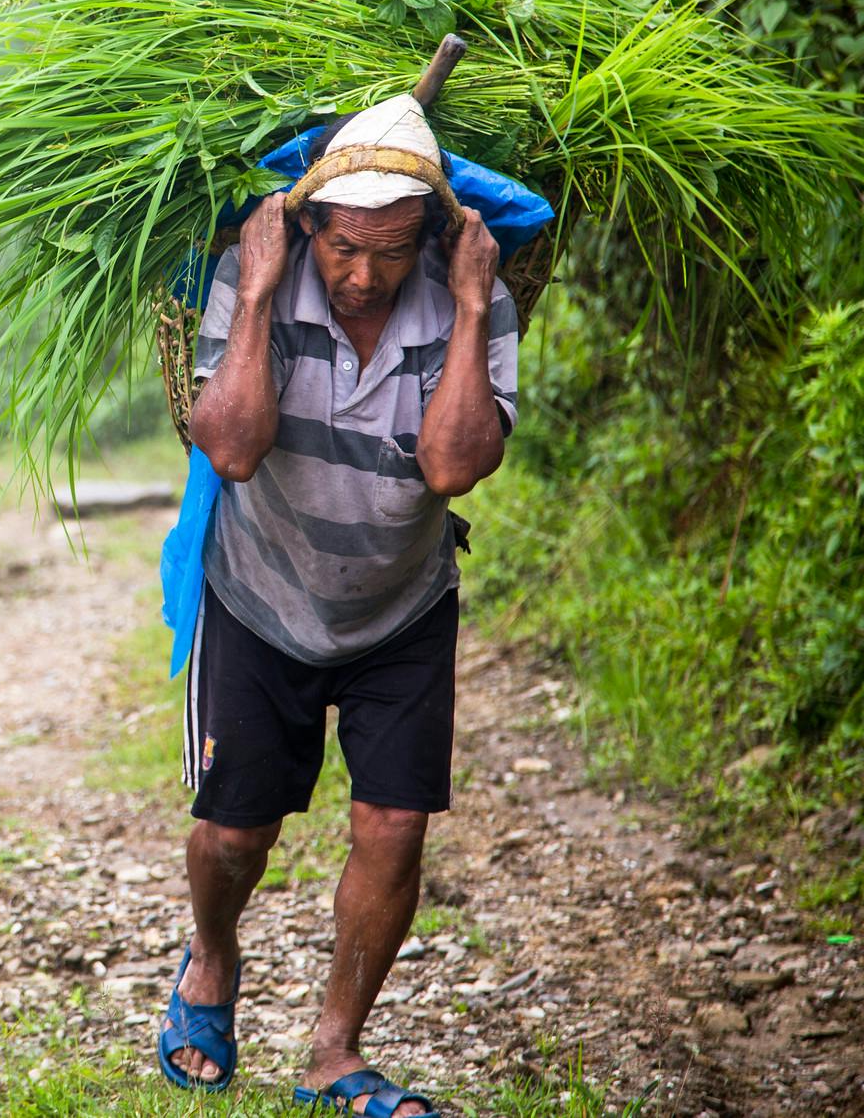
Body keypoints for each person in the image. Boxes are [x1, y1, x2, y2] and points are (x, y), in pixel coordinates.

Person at [157, 93, 518, 1116]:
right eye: (343, 247)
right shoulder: (249, 277)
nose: (363, 276)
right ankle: (211, 962)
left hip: (400, 607)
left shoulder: (468, 305)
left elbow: (452, 466)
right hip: (259, 598)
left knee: (395, 828)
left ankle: (332, 1054)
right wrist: (265, 290)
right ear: (307, 223)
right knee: (234, 838)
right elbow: (226, 446)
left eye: (392, 252)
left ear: (430, 242)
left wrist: (475, 307)